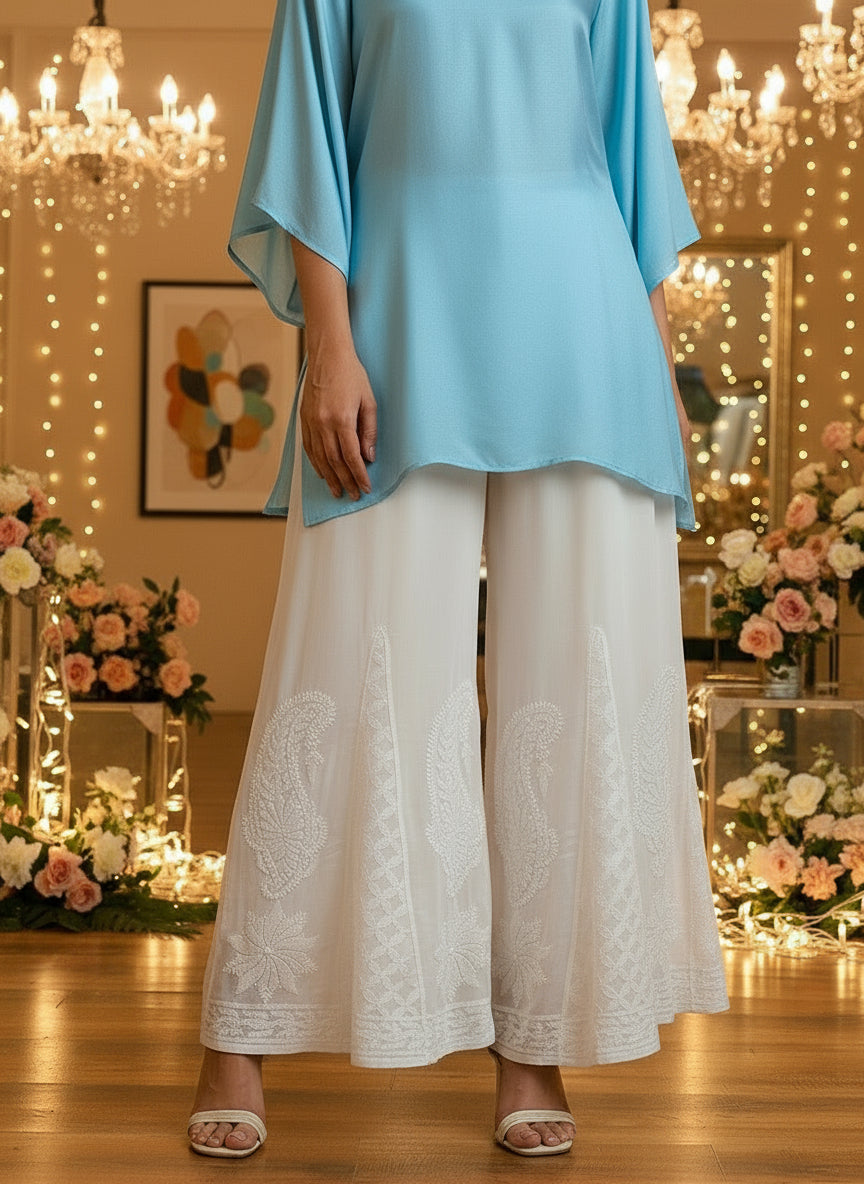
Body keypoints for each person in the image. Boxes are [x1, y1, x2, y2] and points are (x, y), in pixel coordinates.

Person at [187, 0, 729, 1160]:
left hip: (589, 335)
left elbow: (630, 164)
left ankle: (533, 1046)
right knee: (344, 666)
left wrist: (659, 377)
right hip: (401, 317)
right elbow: (309, 143)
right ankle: (243, 1029)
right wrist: (328, 344)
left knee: (568, 698)